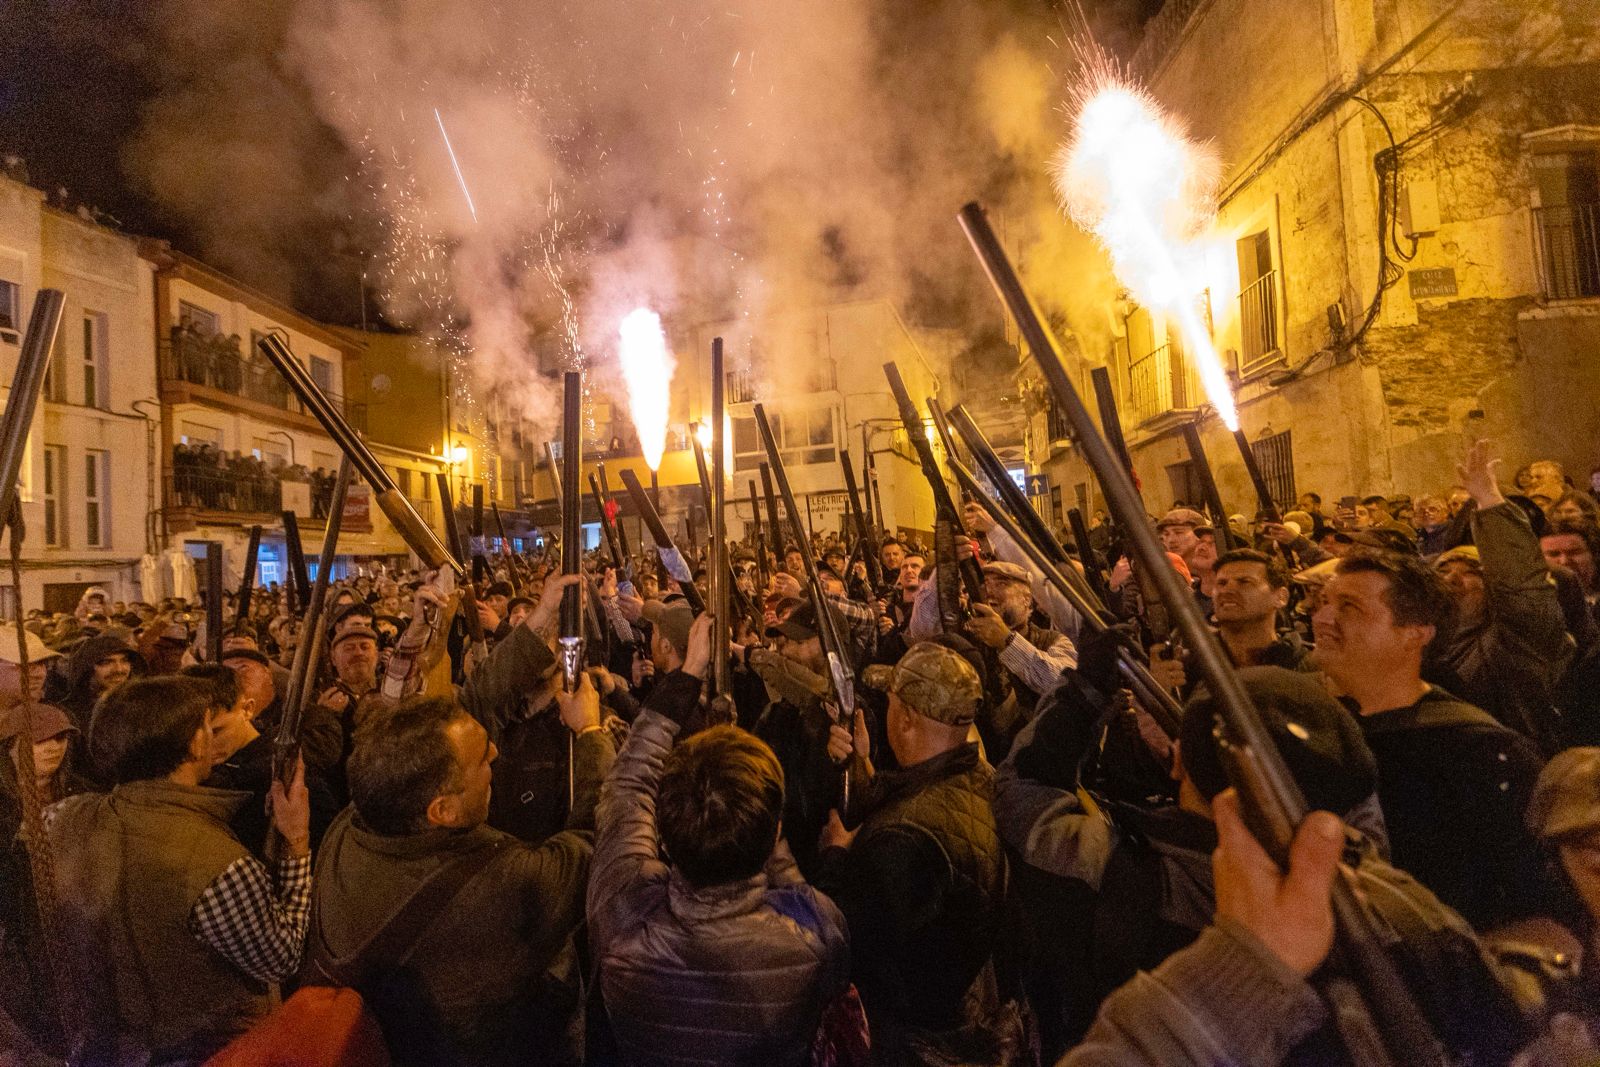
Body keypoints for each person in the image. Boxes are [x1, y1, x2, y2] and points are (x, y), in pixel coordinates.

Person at [301, 678, 612, 1067]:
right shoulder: (498, 882)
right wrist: (590, 732)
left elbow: (478, 700)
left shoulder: (352, 824)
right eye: (482, 760)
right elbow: (590, 841)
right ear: (443, 810)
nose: (496, 754)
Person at [588, 613, 850, 1065]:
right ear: (775, 835)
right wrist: (780, 850)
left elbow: (628, 785)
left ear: (664, 837)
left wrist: (687, 674)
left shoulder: (622, 915)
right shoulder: (814, 930)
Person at [48, 676, 312, 1063]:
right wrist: (296, 845)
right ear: (193, 743)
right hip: (206, 1050)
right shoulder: (217, 863)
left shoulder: (62, 817)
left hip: (103, 1041)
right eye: (207, 726)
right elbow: (281, 956)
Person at [1312, 551, 1552, 930]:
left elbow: (1538, 903)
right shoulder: (1314, 730)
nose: (1323, 618)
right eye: (1324, 603)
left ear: (1414, 634)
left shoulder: (1478, 751)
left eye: (1349, 607)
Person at [815, 641, 1019, 1064]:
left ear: (906, 719)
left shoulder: (905, 836)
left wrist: (835, 857)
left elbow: (843, 938)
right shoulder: (985, 779)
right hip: (961, 1010)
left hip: (908, 1038)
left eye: (890, 703)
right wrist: (866, 767)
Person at [1429, 439, 1573, 752]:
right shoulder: (1422, 642)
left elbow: (1521, 587)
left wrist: (1490, 501)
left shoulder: (1514, 640)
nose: (1454, 579)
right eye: (1444, 570)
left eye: (1470, 571)